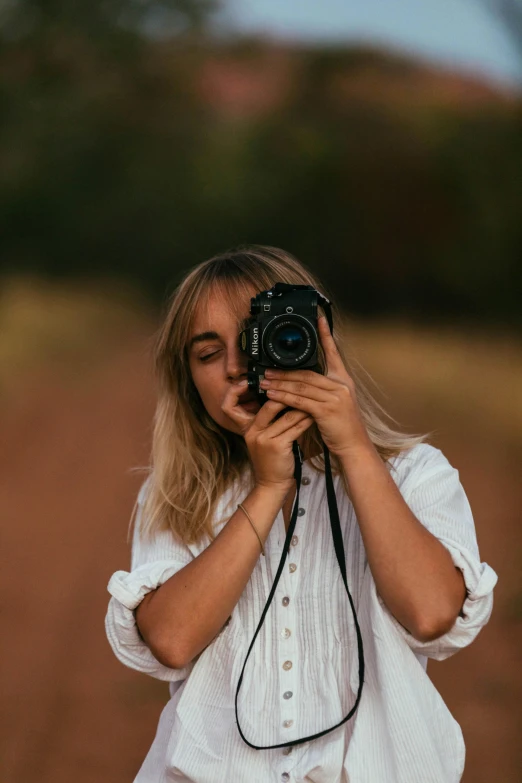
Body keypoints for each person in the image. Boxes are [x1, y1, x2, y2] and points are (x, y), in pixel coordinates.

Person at [105, 244, 498, 783]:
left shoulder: (416, 475)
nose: (239, 366)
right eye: (207, 352)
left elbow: (432, 614)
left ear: (320, 342)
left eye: (261, 338)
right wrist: (268, 488)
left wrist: (354, 448)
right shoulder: (178, 494)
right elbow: (171, 640)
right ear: (188, 380)